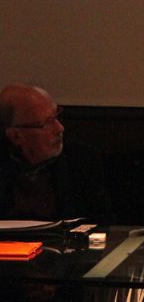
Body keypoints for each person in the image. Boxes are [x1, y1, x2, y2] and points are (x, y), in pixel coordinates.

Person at [0, 84, 112, 223]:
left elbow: (101, 223)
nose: (60, 128)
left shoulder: (82, 161)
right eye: (46, 123)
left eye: (57, 116)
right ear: (16, 136)